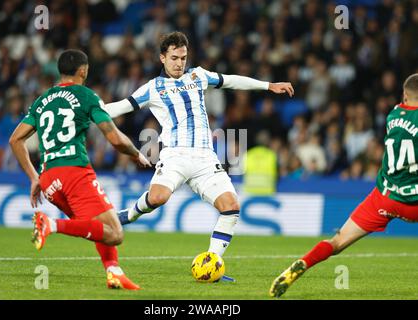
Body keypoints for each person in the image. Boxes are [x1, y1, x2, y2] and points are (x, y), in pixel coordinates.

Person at [104, 31, 294, 281]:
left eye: (183, 57)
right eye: (174, 58)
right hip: (174, 156)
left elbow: (231, 80)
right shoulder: (152, 88)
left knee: (231, 207)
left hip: (206, 159)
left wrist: (267, 85)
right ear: (162, 58)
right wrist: (88, 109)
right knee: (158, 198)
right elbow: (121, 106)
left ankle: (212, 263)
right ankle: (127, 216)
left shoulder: (198, 75)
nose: (179, 63)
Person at [9, 49, 151, 290]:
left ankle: (114, 272)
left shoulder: (43, 100)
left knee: (99, 229)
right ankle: (50, 224)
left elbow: (15, 140)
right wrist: (136, 153)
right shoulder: (87, 96)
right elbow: (115, 138)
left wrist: (34, 178)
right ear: (83, 70)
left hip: (49, 181)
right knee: (115, 233)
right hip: (74, 173)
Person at [269, 73, 418, 298]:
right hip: (414, 202)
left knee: (337, 241)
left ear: (405, 95)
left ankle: (303, 262)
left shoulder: (393, 114)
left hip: (385, 197)